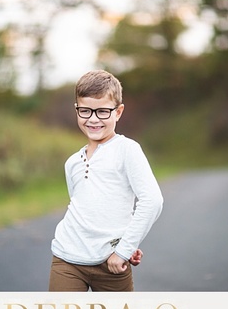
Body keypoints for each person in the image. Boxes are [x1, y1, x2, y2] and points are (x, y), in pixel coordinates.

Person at [49, 70, 163, 292]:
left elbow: (152, 201)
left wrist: (125, 247)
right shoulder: (72, 162)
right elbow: (85, 208)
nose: (93, 119)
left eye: (102, 111)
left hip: (112, 264)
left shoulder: (127, 150)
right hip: (67, 259)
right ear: (77, 110)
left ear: (118, 112)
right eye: (85, 111)